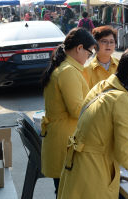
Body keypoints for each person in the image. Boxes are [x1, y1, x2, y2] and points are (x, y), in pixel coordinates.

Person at [58, 46, 128, 199]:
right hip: (94, 172)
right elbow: (123, 151)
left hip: (78, 166)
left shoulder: (103, 86)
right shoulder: (122, 98)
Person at [41, 28, 97, 196]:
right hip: (65, 140)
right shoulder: (68, 71)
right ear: (79, 48)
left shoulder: (65, 67)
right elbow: (77, 110)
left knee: (64, 190)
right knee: (67, 191)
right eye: (89, 53)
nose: (88, 58)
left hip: (62, 137)